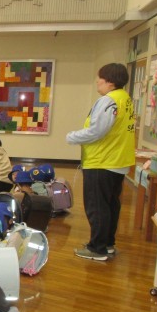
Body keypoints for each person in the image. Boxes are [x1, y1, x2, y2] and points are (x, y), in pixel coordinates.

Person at [66, 63, 135, 261]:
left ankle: (97, 249)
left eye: (100, 78)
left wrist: (72, 137)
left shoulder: (108, 101)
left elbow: (97, 131)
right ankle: (107, 244)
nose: (97, 81)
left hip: (102, 161)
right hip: (117, 161)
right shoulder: (125, 99)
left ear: (110, 82)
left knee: (97, 206)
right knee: (110, 204)